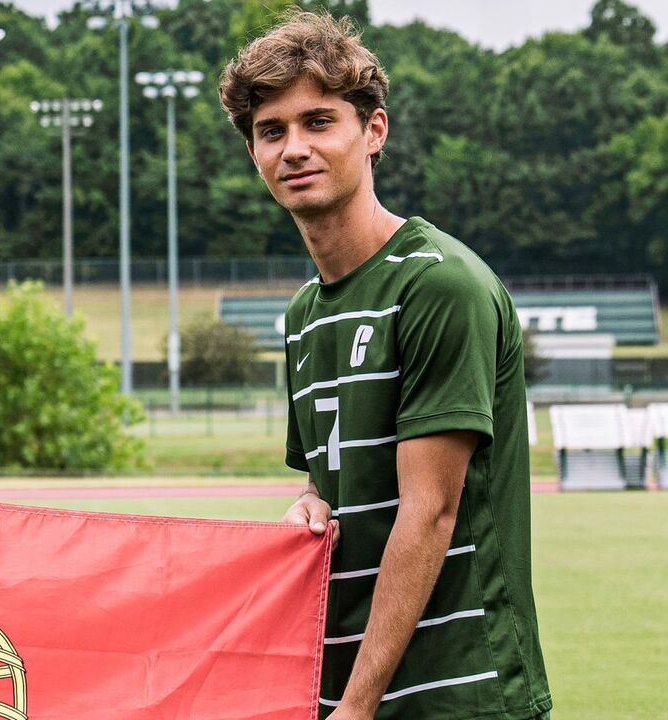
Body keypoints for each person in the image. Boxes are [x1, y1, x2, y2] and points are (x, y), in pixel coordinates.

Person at [219, 12, 550, 720]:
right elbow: (329, 474)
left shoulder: (439, 284)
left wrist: (356, 706)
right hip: (346, 685)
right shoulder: (304, 315)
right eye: (271, 131)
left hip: (460, 693)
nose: (294, 149)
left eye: (318, 122)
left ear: (374, 133)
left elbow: (429, 511)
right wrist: (311, 502)